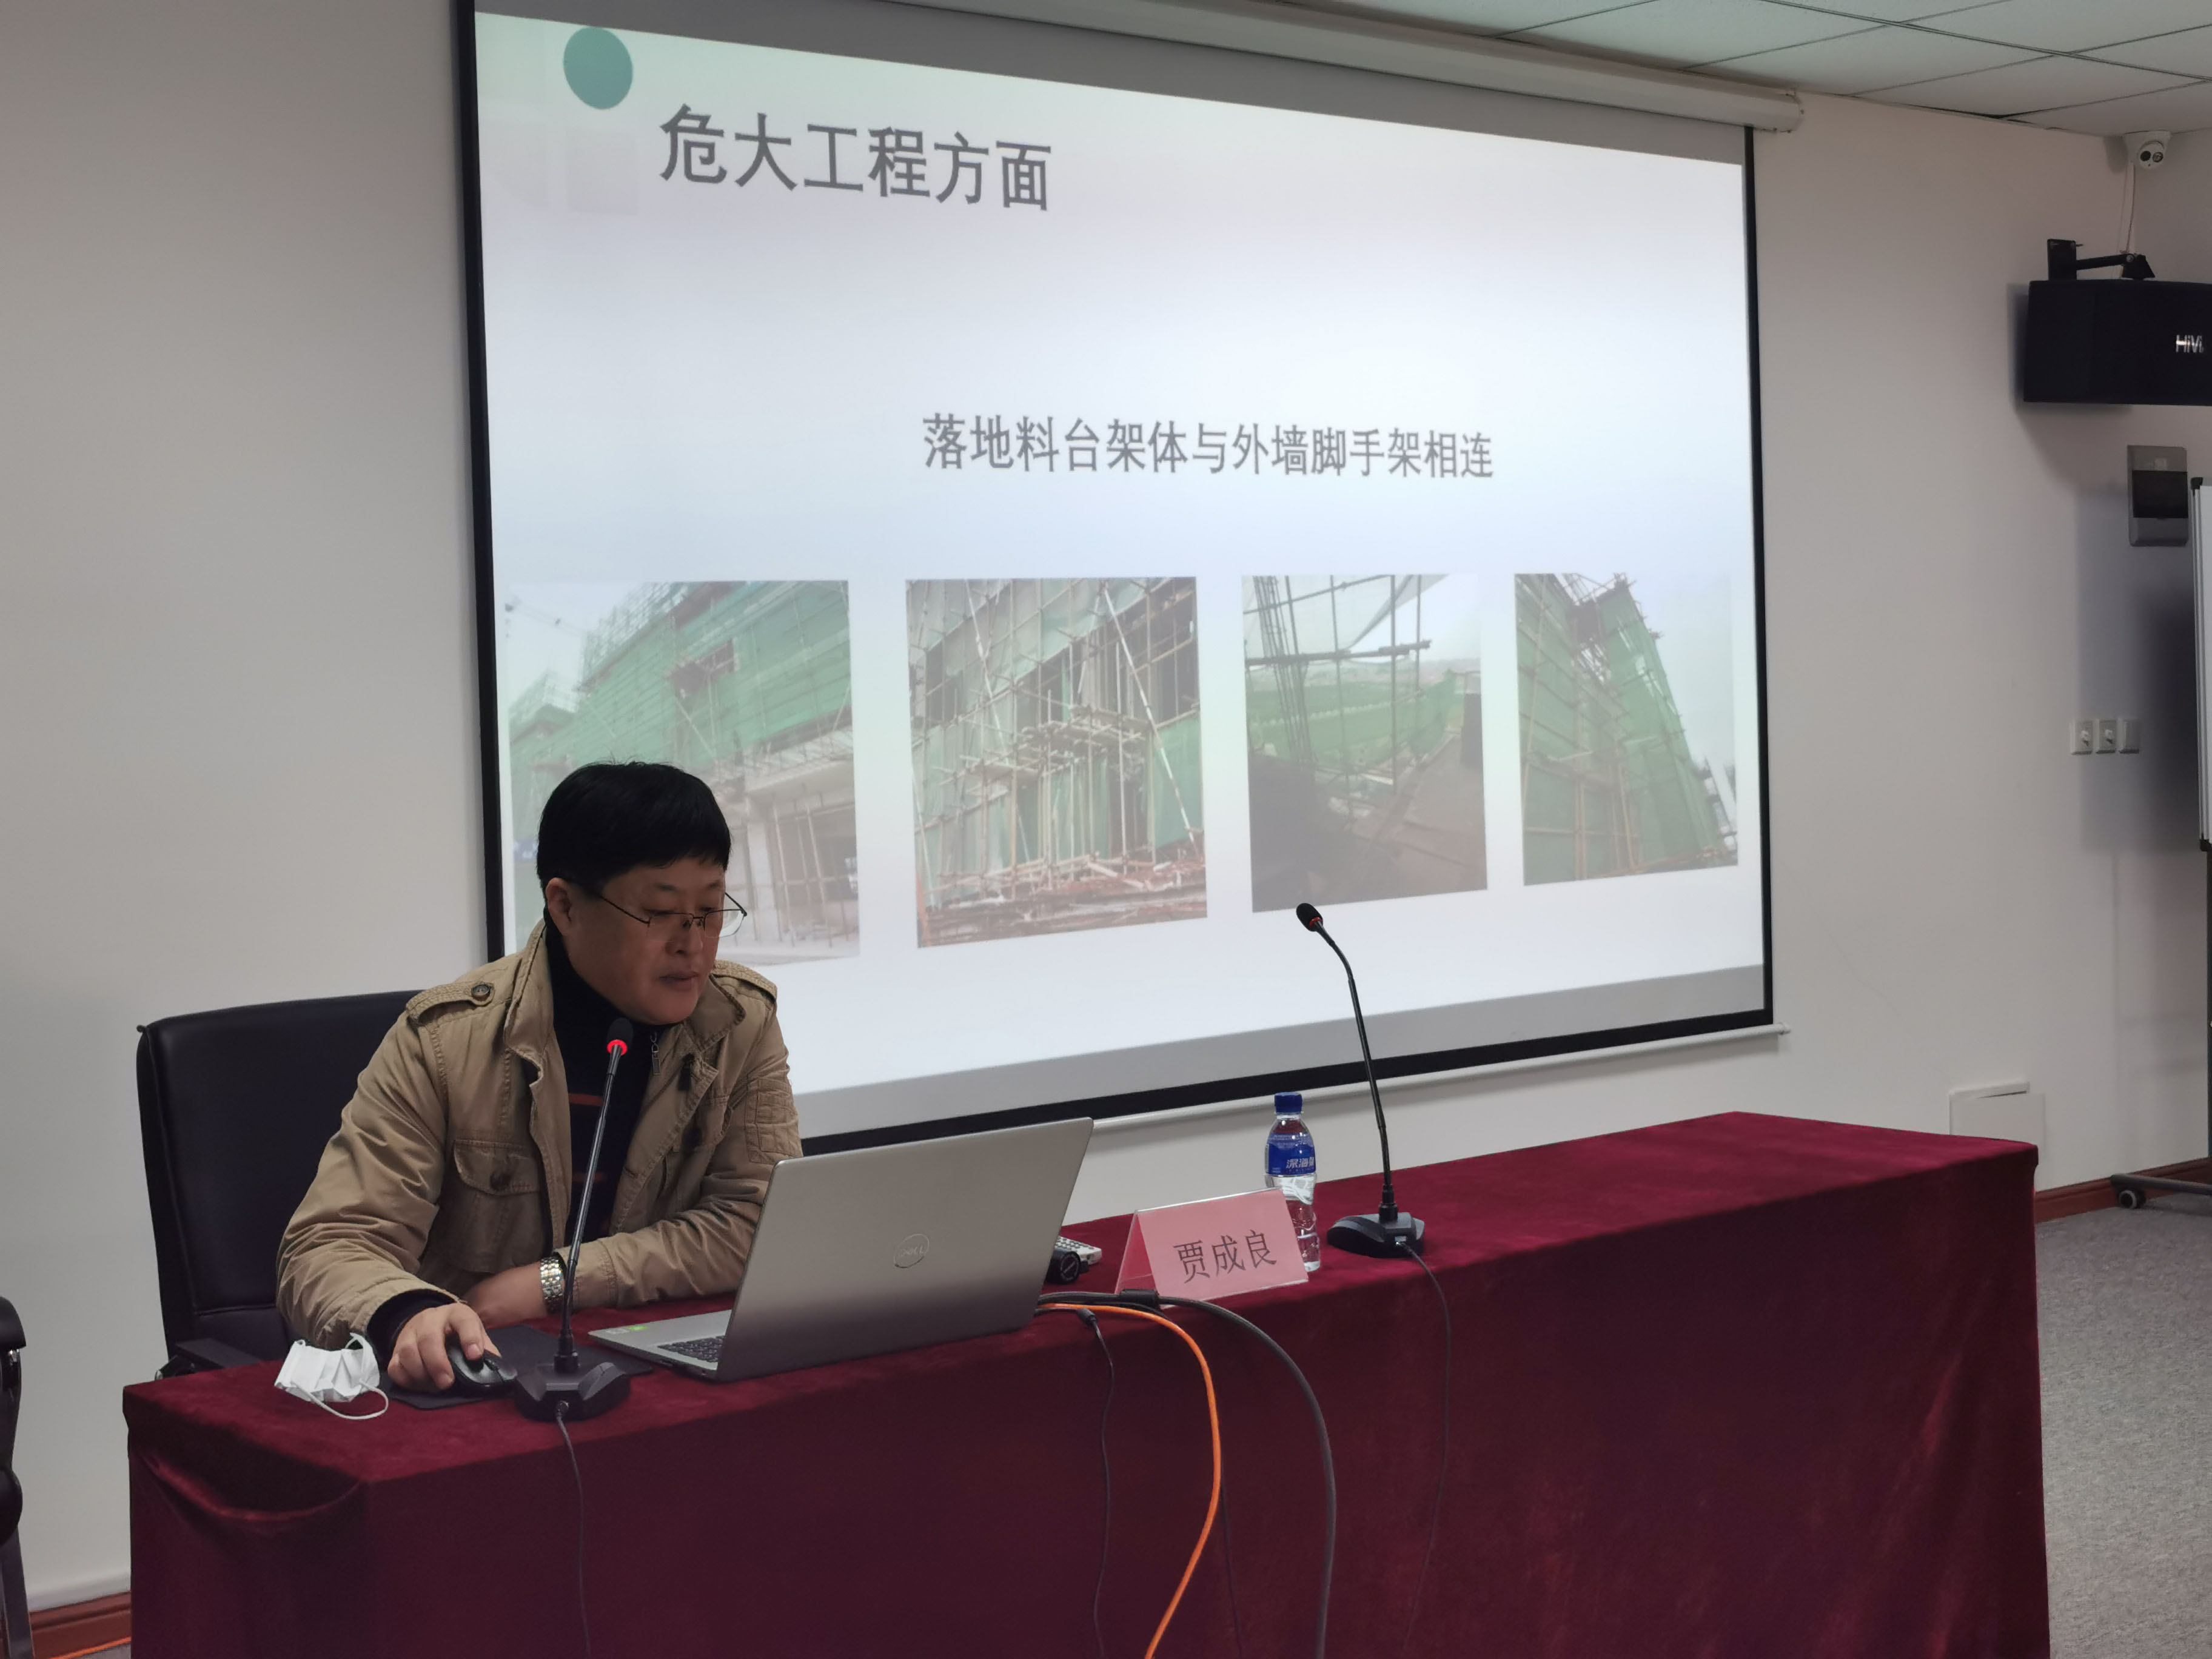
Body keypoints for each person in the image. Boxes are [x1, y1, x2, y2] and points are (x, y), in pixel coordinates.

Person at [277, 762, 800, 1391]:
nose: (694, 944)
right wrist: (407, 1313)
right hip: (484, 1381)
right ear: (566, 906)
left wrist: (557, 1282)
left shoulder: (739, 1023)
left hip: (662, 1374)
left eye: (711, 910)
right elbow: (330, 1244)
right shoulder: (445, 1041)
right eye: (661, 913)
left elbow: (758, 1225)